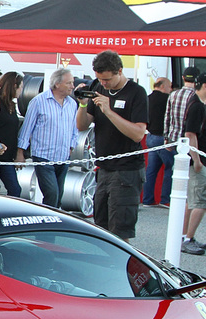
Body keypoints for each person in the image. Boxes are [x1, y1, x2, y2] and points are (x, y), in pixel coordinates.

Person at [75, 51, 148, 239]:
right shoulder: (98, 87)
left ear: (120, 71)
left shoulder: (136, 92)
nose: (104, 84)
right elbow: (82, 125)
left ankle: (121, 265)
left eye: (107, 79)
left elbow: (138, 134)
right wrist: (83, 105)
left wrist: (108, 111)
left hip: (127, 170)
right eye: (100, 79)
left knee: (120, 228)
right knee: (101, 225)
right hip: (104, 168)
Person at [167, 72, 206, 255]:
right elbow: (190, 134)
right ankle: (188, 238)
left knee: (191, 200)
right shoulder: (197, 106)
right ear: (205, 85)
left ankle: (185, 236)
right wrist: (196, 160)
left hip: (200, 159)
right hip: (198, 161)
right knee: (202, 200)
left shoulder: (203, 104)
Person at [18, 67, 77, 208]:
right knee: (52, 194)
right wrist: (20, 152)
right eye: (69, 83)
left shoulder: (72, 104)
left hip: (63, 157)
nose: (72, 86)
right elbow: (27, 128)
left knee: (58, 195)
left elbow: (74, 129)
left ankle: (54, 222)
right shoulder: (38, 101)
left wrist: (71, 146)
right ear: (57, 84)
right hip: (44, 157)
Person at [141, 77, 174, 206]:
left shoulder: (147, 98)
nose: (171, 89)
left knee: (151, 170)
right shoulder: (167, 100)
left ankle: (147, 199)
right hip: (162, 138)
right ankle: (166, 199)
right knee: (170, 167)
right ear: (162, 86)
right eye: (169, 86)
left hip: (150, 136)